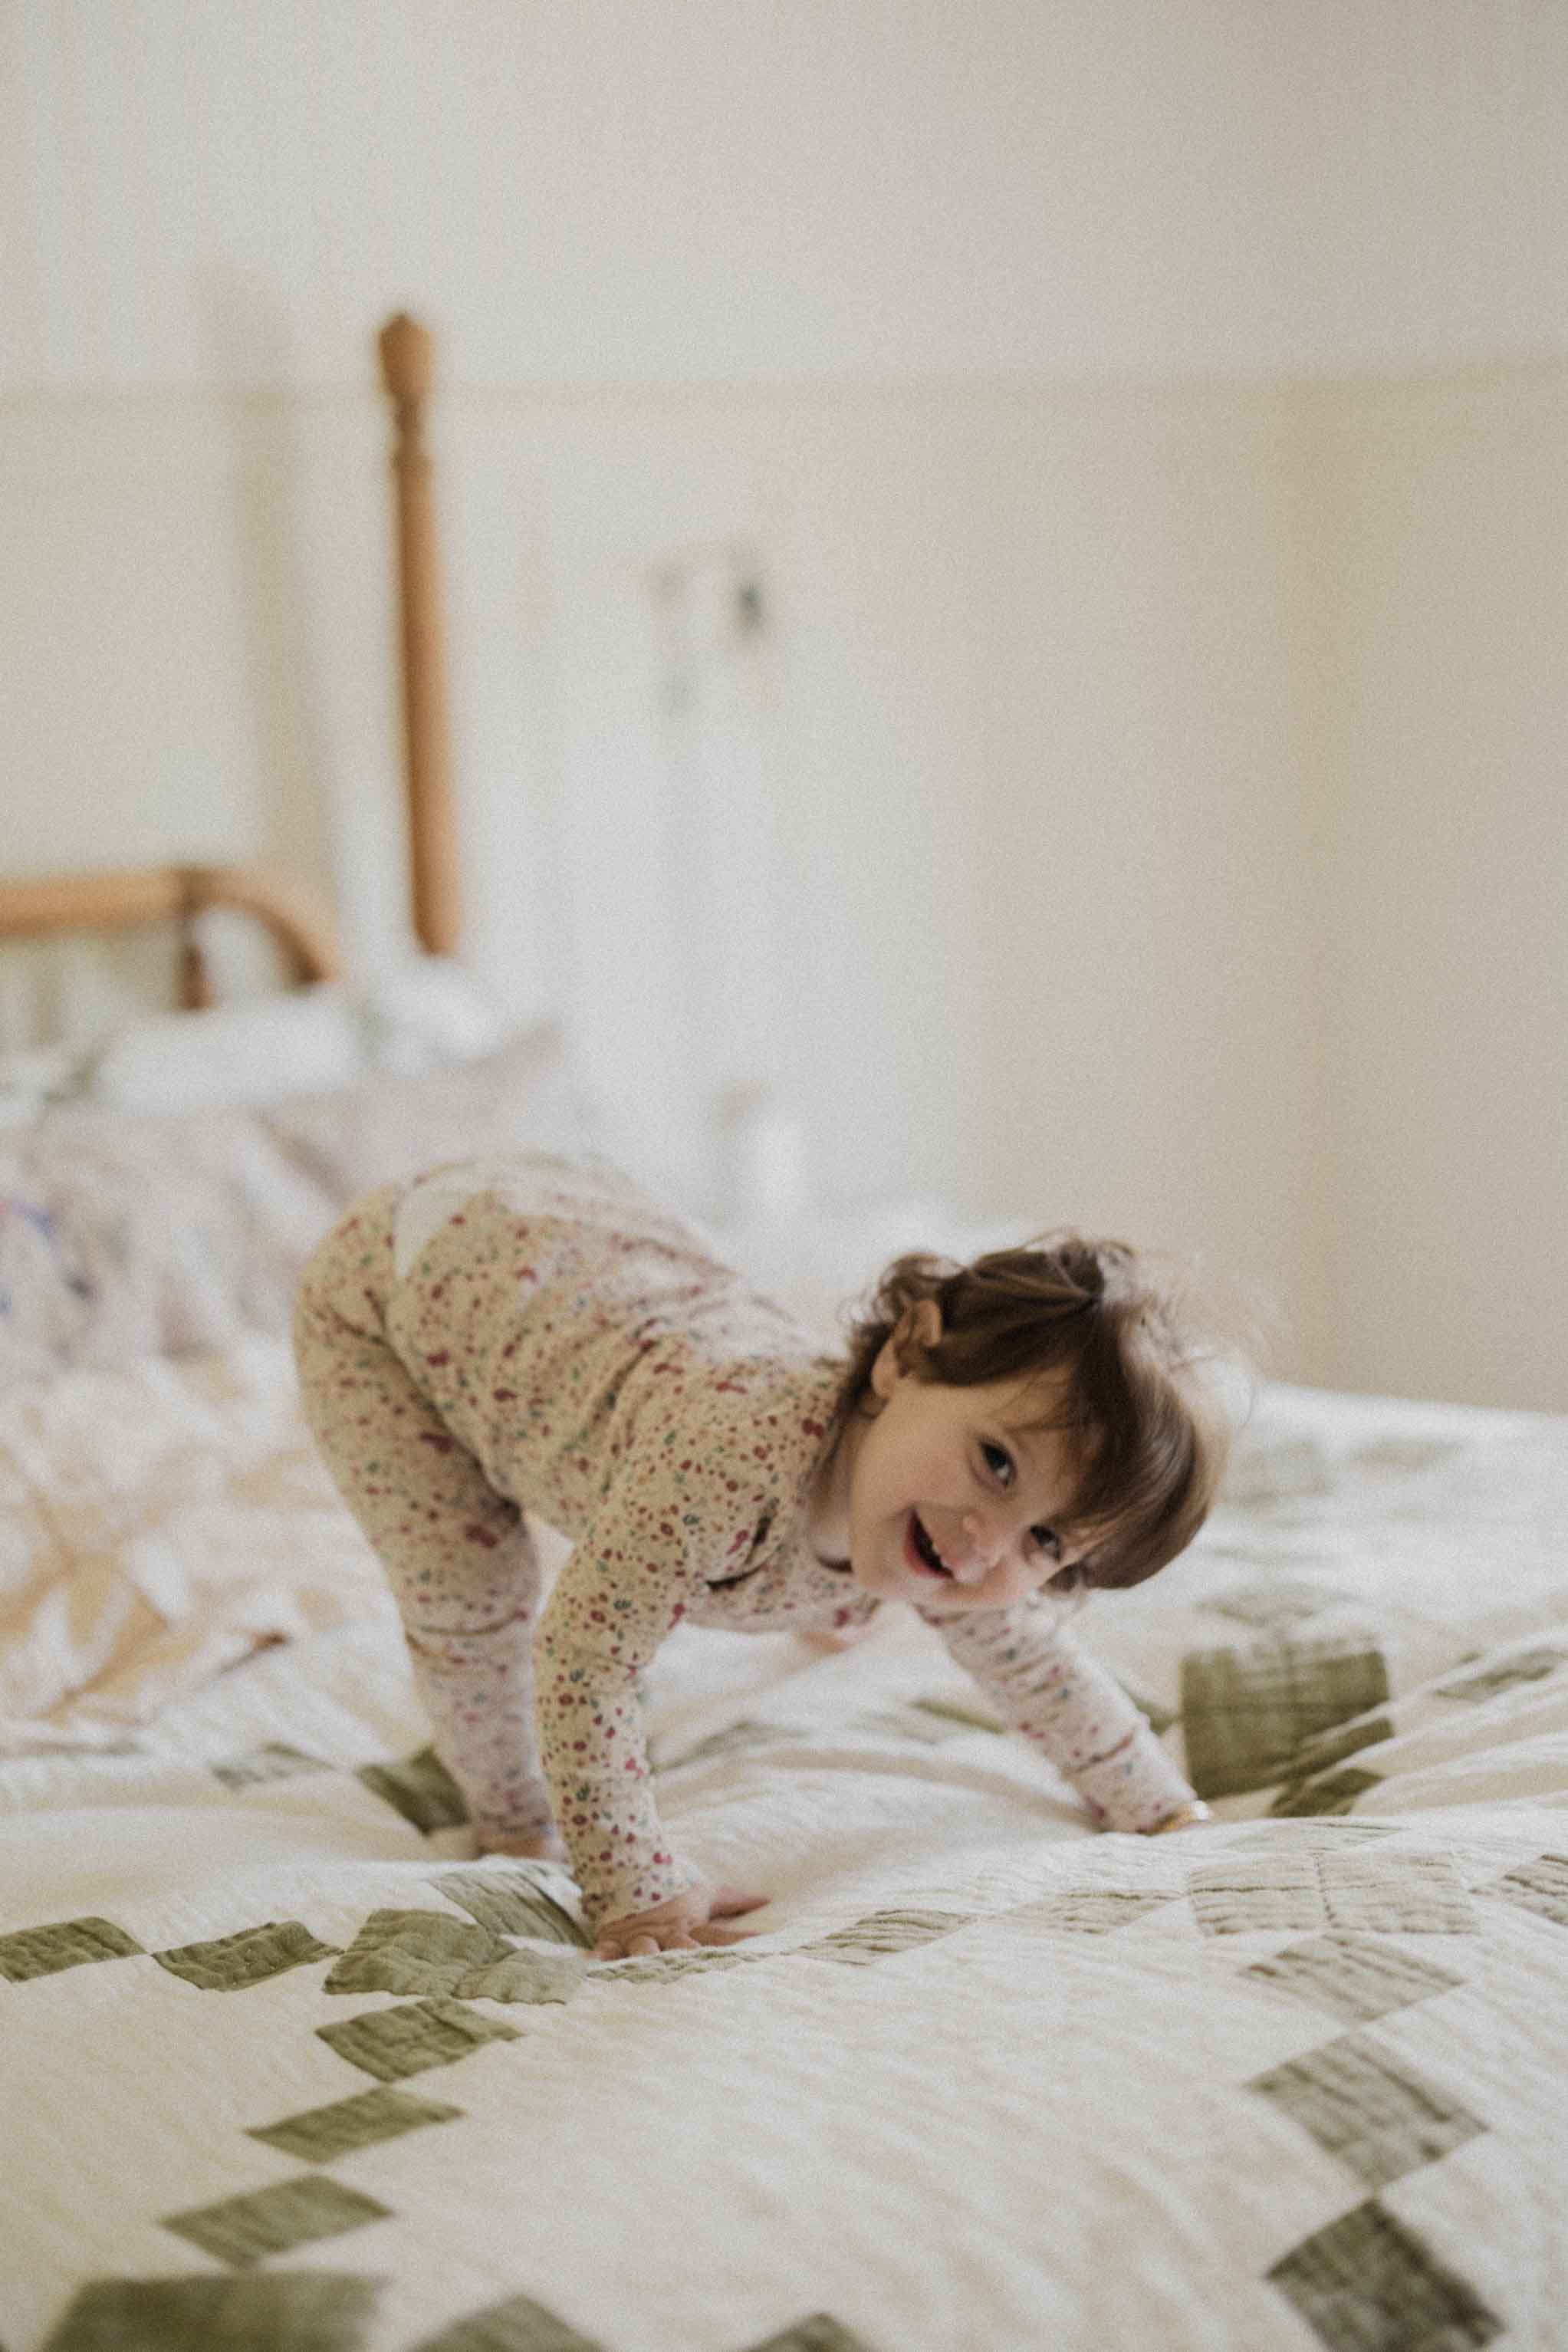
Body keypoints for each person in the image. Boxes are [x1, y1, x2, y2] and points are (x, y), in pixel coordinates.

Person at [294, 1150, 1234, 1962]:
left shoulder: (947, 1522)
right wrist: (632, 1885)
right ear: (904, 1355)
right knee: (469, 1590)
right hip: (401, 1285)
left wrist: (1161, 1809)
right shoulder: (724, 1462)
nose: (987, 1538)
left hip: (582, 1239)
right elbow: (585, 1656)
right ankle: (504, 1816)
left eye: (1046, 1542)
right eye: (995, 1462)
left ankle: (832, 1593)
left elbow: (1032, 1660)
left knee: (953, 1584)